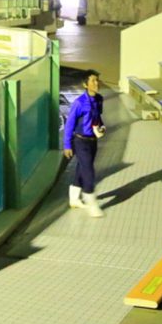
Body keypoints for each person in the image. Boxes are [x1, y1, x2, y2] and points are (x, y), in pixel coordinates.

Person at [62, 69, 106, 216]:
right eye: (93, 80)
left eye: (97, 80)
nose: (96, 83)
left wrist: (101, 127)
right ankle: (91, 201)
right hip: (80, 141)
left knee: (82, 167)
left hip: (93, 140)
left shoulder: (99, 99)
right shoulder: (79, 103)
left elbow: (98, 118)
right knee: (88, 170)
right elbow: (69, 124)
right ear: (85, 84)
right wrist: (67, 145)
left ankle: (74, 198)